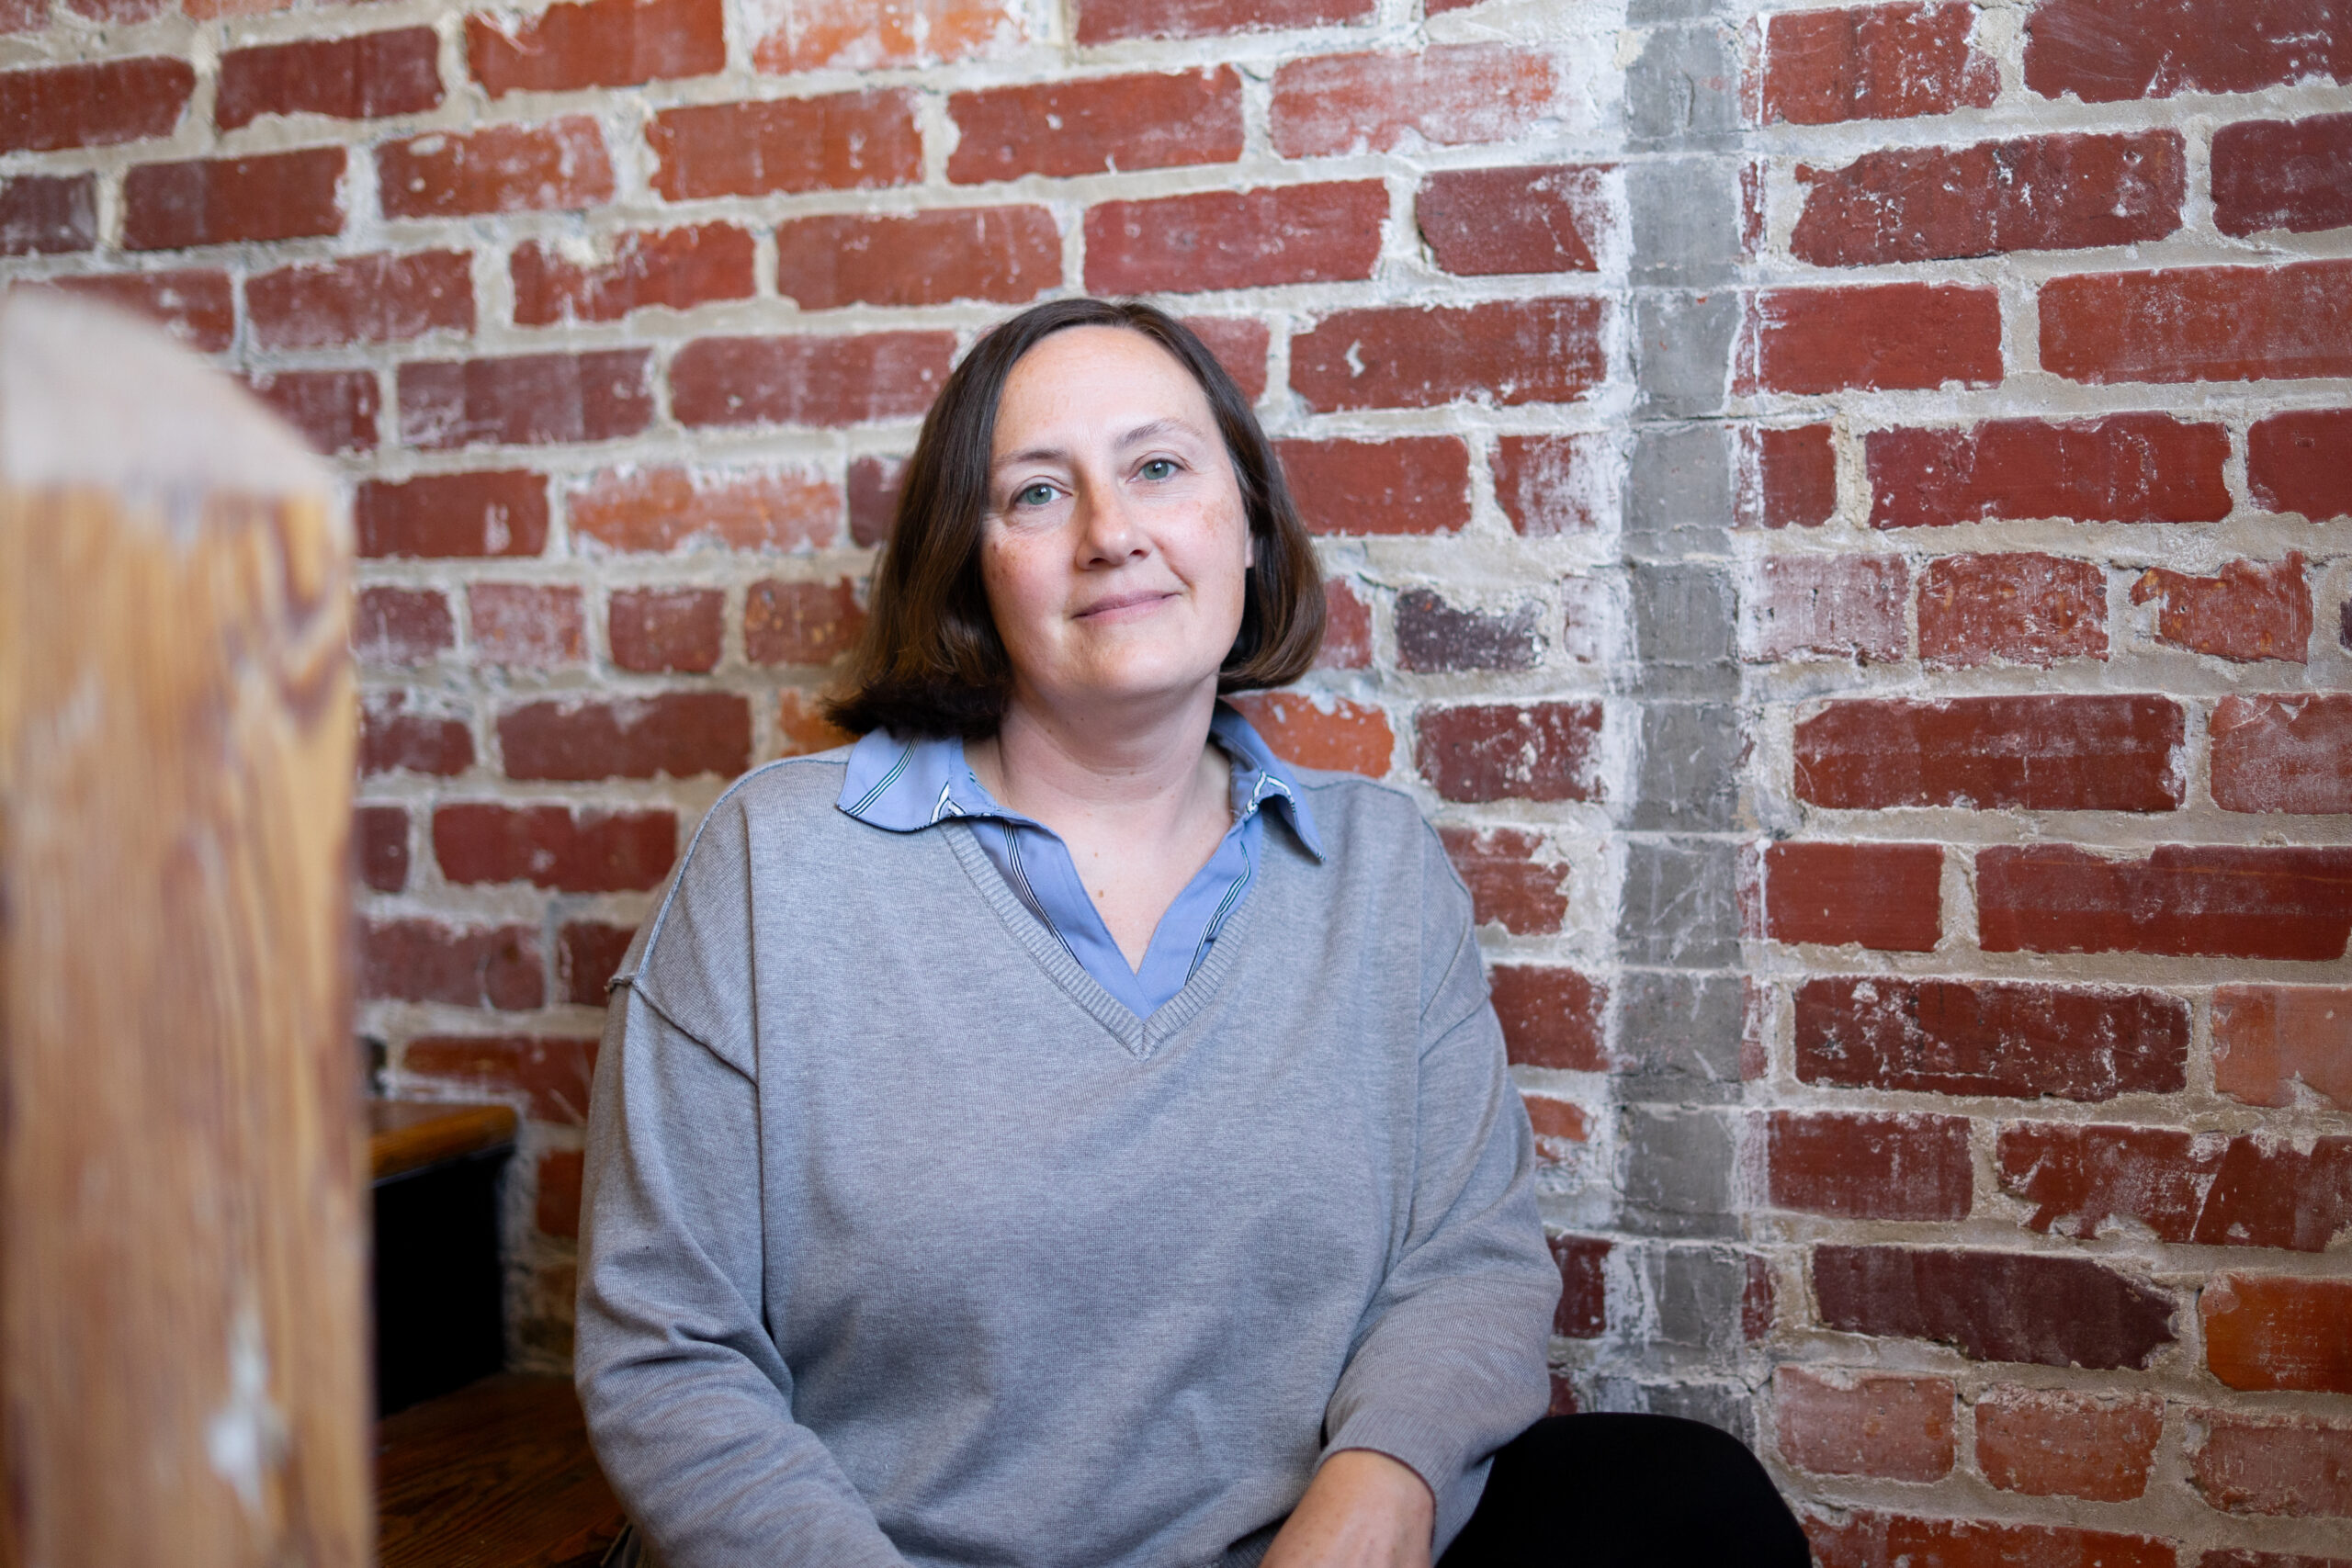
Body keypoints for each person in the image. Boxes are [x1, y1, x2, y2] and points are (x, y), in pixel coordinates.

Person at [574, 298, 1810, 1568]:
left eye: (1159, 468)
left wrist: (1375, 1493)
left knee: (1689, 1505)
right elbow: (670, 1351)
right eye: (1038, 495)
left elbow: (1468, 1270)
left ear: (1251, 529)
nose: (1115, 535)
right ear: (969, 564)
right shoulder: (776, 867)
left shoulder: (1376, 872)